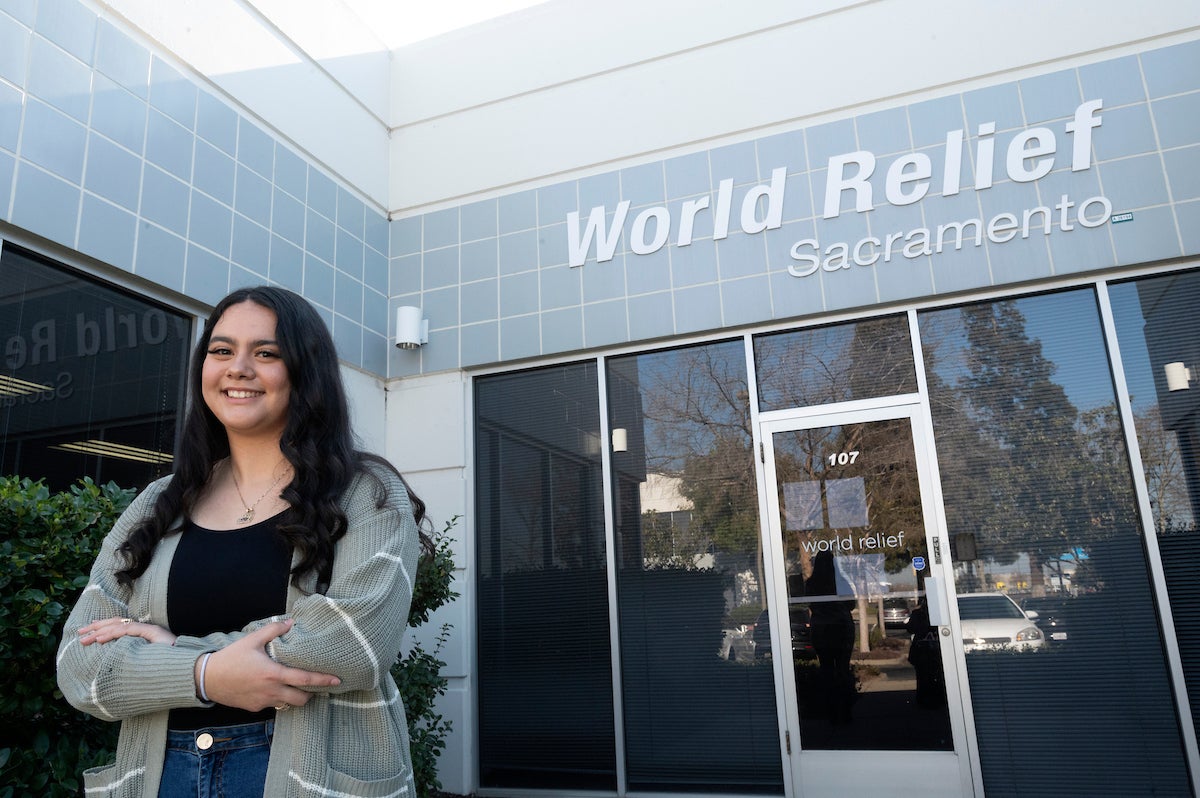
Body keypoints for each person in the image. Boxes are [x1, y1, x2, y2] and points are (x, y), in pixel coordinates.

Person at [56, 286, 431, 797]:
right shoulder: (158, 503)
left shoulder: (365, 493)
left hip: (308, 778)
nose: (238, 368)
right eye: (222, 350)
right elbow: (79, 664)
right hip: (163, 778)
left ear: (305, 371)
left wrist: (176, 655)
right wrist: (205, 673)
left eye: (267, 353)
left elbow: (354, 646)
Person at [805, 550, 857, 724]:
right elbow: (851, 604)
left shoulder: (812, 583)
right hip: (841, 627)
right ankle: (845, 711)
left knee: (826, 670)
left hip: (821, 629)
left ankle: (831, 711)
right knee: (842, 669)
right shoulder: (840, 581)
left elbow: (807, 602)